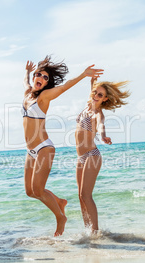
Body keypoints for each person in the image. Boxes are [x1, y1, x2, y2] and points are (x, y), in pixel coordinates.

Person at [23, 56, 103, 236]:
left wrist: (83, 75)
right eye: (39, 75)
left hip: (44, 147)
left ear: (47, 84)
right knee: (30, 192)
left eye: (45, 78)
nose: (41, 79)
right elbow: (25, 82)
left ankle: (61, 217)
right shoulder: (28, 93)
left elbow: (64, 87)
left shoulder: (44, 96)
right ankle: (59, 202)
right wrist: (27, 72)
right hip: (30, 151)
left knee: (38, 189)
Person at [75, 78, 129, 233]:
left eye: (100, 95)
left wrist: (103, 135)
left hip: (92, 155)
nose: (96, 96)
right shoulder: (88, 105)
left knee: (86, 195)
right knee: (80, 196)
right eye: (95, 93)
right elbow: (92, 91)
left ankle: (95, 232)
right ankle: (87, 231)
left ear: (105, 98)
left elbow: (100, 125)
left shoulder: (98, 113)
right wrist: (92, 80)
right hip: (81, 157)